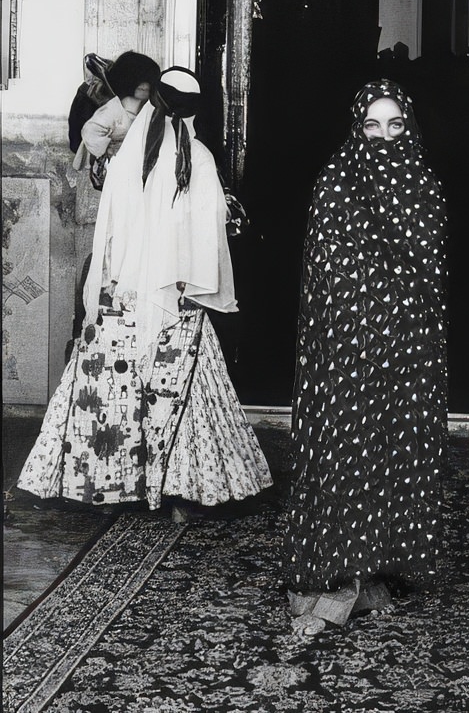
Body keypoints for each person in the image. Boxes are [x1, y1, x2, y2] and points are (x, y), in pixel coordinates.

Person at [19, 66, 272, 514]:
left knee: (111, 389)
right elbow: (209, 242)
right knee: (183, 390)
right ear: (195, 113)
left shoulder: (125, 159)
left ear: (154, 101)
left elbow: (110, 236)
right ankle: (181, 484)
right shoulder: (201, 159)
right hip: (177, 300)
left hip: (120, 298)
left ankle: (108, 488)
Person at [287, 80, 447, 636]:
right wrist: (365, 317)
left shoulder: (421, 182)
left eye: (395, 125)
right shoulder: (337, 183)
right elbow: (324, 269)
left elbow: (431, 268)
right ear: (358, 129)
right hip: (349, 346)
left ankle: (388, 559)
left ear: (409, 127)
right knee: (352, 445)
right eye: (372, 127)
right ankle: (346, 565)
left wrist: (402, 317)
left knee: (400, 441)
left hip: (410, 346)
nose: (384, 137)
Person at [75, 50, 162, 187]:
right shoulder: (114, 109)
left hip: (134, 170)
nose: (144, 86)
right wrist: (108, 149)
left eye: (148, 81)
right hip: (114, 171)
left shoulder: (148, 110)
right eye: (139, 81)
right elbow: (90, 131)